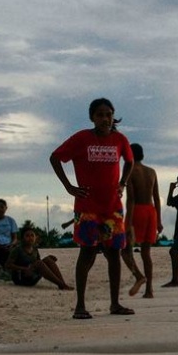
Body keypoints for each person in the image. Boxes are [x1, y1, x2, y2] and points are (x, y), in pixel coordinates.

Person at [49, 97, 134, 319]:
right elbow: (55, 157)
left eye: (108, 114)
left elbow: (130, 161)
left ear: (113, 116)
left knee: (114, 253)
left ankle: (115, 304)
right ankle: (80, 306)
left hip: (112, 208)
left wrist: (123, 182)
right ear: (92, 117)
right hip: (87, 207)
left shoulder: (120, 139)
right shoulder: (82, 138)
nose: (105, 118)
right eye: (100, 114)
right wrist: (69, 187)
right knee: (87, 253)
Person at [121, 143, 163, 298]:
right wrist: (159, 220)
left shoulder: (131, 171)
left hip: (137, 211)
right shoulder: (151, 172)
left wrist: (129, 223)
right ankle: (149, 290)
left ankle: (139, 276)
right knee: (146, 253)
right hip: (150, 211)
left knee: (125, 251)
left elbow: (130, 199)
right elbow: (157, 198)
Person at [6, 227, 73, 290]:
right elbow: (8, 265)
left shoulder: (34, 249)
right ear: (22, 238)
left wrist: (48, 260)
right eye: (27, 236)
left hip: (32, 276)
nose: (30, 238)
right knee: (39, 262)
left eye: (32, 235)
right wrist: (24, 269)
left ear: (35, 237)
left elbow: (38, 264)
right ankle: (62, 284)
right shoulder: (17, 249)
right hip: (20, 278)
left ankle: (61, 284)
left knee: (48, 259)